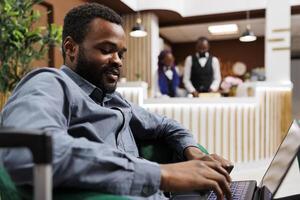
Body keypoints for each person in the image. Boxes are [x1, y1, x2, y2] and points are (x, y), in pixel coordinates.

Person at [1, 3, 232, 199]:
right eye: (107, 50)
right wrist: (163, 174)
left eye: (121, 53)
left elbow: (167, 125)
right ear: (71, 49)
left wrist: (195, 153)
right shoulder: (50, 83)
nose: (118, 61)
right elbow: (28, 151)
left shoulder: (115, 100)